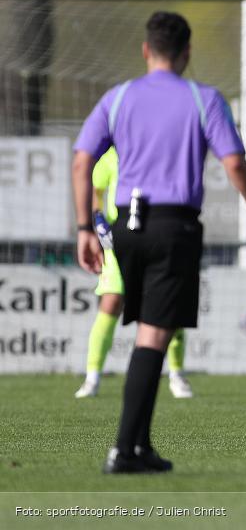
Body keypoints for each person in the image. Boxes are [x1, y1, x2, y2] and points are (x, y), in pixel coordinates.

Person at [73, 11, 246, 474]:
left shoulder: (118, 97)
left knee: (150, 332)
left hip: (125, 225)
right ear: (187, 53)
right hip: (172, 226)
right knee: (154, 337)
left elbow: (82, 160)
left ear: (146, 50)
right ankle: (124, 450)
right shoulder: (204, 99)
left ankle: (139, 447)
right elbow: (235, 164)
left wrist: (85, 227)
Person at [74, 147, 193, 400]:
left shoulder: (156, 152)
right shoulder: (109, 157)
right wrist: (98, 221)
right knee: (111, 301)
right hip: (119, 240)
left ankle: (176, 374)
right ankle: (92, 377)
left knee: (166, 306)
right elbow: (96, 193)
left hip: (156, 235)